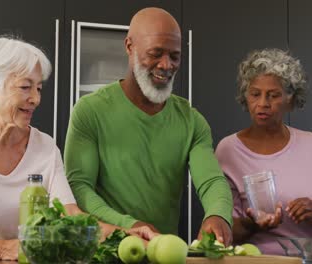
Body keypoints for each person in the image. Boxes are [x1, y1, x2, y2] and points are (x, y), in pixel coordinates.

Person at [0, 36, 153, 260]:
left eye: (39, 88)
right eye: (25, 87)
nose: (35, 98)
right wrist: (3, 247)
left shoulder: (45, 147)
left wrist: (124, 235)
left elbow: (69, 215)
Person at [64, 7, 233, 244]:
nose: (166, 65)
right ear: (129, 47)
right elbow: (79, 188)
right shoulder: (90, 111)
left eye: (175, 56)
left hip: (163, 252)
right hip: (105, 250)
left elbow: (211, 181)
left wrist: (218, 215)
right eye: (156, 53)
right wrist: (130, 225)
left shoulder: (192, 121)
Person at [215, 48, 312, 255]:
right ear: (245, 96)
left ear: (291, 99)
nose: (262, 104)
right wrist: (253, 223)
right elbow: (222, 229)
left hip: (309, 259)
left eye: (273, 95)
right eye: (255, 94)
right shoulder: (228, 150)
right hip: (253, 260)